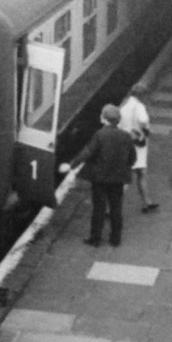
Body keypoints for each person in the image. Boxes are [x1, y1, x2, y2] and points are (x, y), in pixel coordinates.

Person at [59, 104, 136, 247]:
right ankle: (115, 239)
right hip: (118, 179)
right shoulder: (125, 136)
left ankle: (95, 239)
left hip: (100, 178)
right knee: (116, 208)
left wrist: (70, 165)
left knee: (99, 209)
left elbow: (87, 153)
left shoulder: (100, 135)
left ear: (104, 118)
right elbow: (132, 158)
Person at [118, 82, 159, 213]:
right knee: (141, 174)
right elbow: (143, 120)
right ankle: (146, 203)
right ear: (142, 95)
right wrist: (146, 128)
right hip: (138, 145)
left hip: (125, 143)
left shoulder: (124, 104)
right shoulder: (139, 106)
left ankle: (113, 206)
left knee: (126, 177)